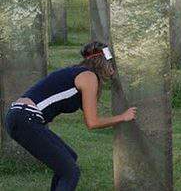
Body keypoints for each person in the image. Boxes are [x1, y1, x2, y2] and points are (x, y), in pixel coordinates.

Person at [3, 42, 137, 191]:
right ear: (105, 62)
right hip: (25, 119)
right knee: (70, 172)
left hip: (20, 116)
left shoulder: (77, 72)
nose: (113, 71)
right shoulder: (89, 77)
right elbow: (92, 122)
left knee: (69, 160)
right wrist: (123, 117)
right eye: (112, 65)